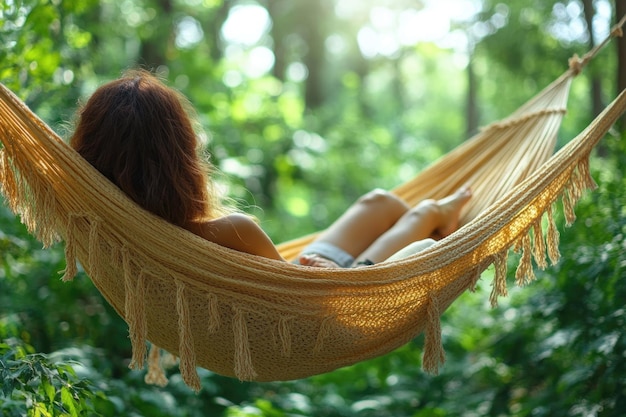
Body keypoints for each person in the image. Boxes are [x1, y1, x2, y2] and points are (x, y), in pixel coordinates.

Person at [70, 70, 471, 268]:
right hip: (335, 304)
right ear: (181, 154)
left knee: (380, 202)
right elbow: (301, 300)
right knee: (421, 214)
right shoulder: (233, 230)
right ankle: (437, 217)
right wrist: (329, 275)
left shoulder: (105, 224)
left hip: (302, 281)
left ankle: (433, 220)